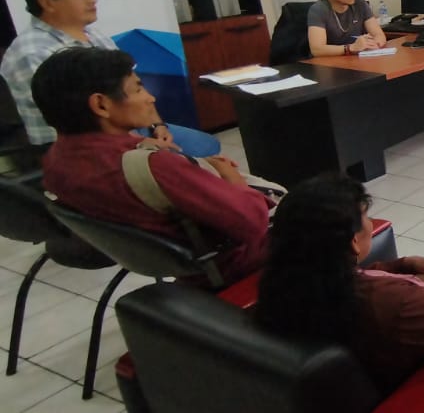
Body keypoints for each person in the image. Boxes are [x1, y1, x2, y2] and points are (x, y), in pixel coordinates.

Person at [33, 47, 269, 284]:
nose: (150, 98)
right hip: (241, 262)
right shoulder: (155, 166)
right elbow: (253, 221)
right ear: (101, 105)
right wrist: (230, 175)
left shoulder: (56, 162)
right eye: (138, 89)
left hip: (183, 265)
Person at [255, 174, 424, 392]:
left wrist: (403, 265)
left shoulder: (287, 284)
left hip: (361, 370)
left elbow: (360, 276)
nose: (371, 223)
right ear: (353, 241)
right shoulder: (387, 303)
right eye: (366, 217)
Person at [0, 0, 221, 157]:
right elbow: (72, 125)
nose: (91, 0)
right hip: (82, 149)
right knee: (187, 164)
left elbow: (134, 86)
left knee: (207, 146)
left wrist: (156, 124)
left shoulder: (94, 36)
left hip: (124, 129)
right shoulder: (33, 52)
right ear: (47, 2)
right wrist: (137, 143)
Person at [307, 0, 388, 57]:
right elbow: (317, 50)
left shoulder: (359, 2)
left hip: (356, 58)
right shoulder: (319, 9)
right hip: (331, 61)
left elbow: (379, 35)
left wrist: (373, 44)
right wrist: (350, 48)